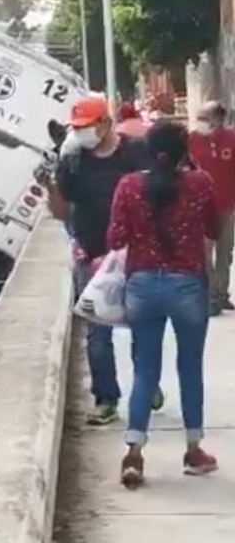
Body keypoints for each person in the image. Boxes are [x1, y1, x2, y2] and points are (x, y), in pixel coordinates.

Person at [107, 121, 219, 488]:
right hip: (188, 286)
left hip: (141, 287)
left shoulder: (128, 186)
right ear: (183, 151)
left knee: (144, 371)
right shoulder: (199, 184)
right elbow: (214, 230)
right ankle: (193, 450)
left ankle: (134, 452)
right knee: (189, 368)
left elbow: (115, 237)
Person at [51, 95, 164, 425]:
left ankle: (148, 383)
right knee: (97, 332)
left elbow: (156, 197)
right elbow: (61, 210)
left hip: (136, 252)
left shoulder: (136, 152)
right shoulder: (74, 161)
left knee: (143, 325)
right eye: (77, 129)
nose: (81, 134)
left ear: (105, 123)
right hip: (93, 254)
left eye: (86, 127)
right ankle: (106, 397)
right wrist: (57, 172)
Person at [188, 100, 235, 315]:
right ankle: (209, 298)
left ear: (219, 119)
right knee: (205, 252)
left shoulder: (232, 140)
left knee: (225, 252)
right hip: (201, 207)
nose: (201, 122)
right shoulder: (191, 141)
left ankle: (222, 294)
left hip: (228, 206)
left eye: (205, 118)